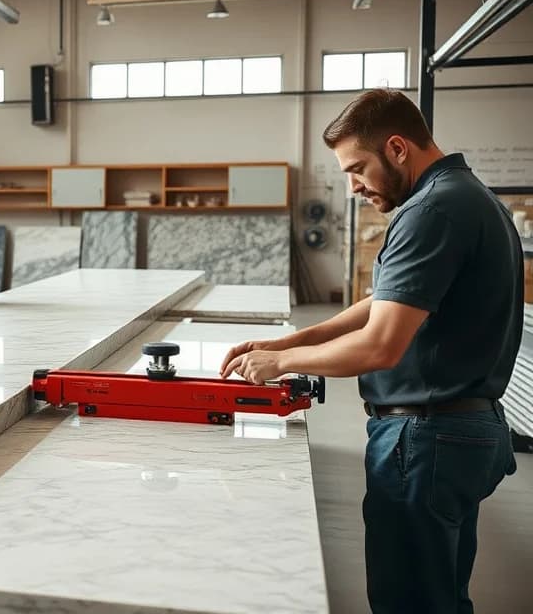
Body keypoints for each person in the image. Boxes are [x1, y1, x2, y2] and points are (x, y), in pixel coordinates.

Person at [220, 88, 519, 614]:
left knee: (409, 602)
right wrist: (288, 340)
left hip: (426, 438)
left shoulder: (432, 210)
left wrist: (281, 364)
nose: (353, 186)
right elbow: (383, 302)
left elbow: (381, 344)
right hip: (457, 431)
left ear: (398, 148)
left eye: (357, 168)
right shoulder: (468, 195)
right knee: (441, 595)